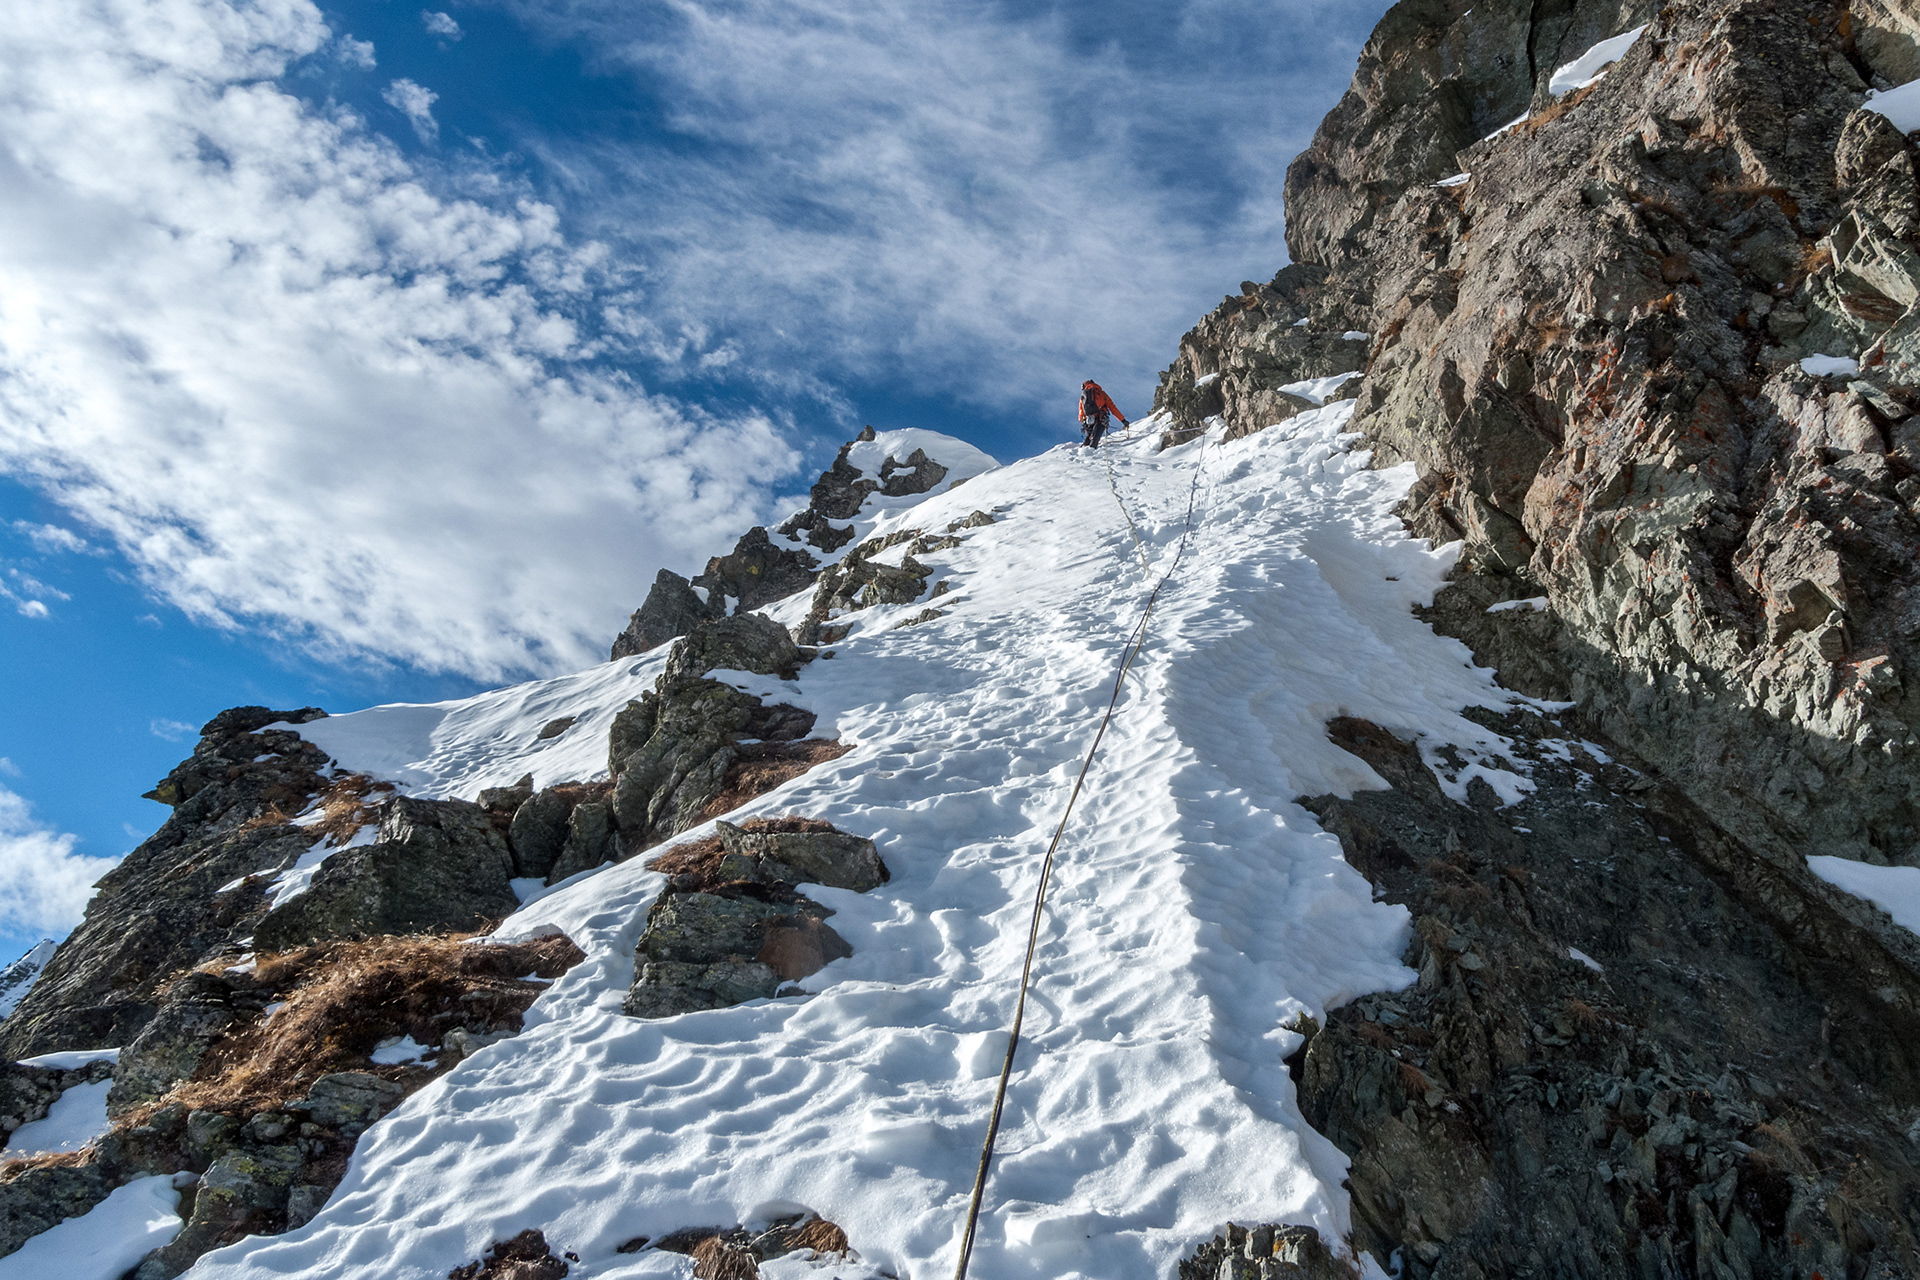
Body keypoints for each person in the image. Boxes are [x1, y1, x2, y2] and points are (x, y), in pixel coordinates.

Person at [1078, 380, 1128, 447]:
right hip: (1101, 417)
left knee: (1089, 435)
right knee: (1096, 435)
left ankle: (1085, 448)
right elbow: (1113, 408)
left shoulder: (1083, 395)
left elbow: (1081, 410)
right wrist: (1123, 420)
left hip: (1089, 418)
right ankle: (1092, 448)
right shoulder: (1101, 393)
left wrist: (1081, 418)